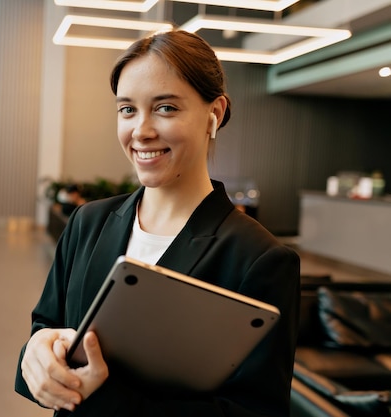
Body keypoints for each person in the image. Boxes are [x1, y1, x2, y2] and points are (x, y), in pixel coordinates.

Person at [15, 30, 300, 417]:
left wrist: (106, 399)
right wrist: (35, 353)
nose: (141, 130)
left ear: (213, 114)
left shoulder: (258, 258)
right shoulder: (88, 222)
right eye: (127, 109)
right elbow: (46, 325)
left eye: (165, 108)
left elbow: (255, 411)